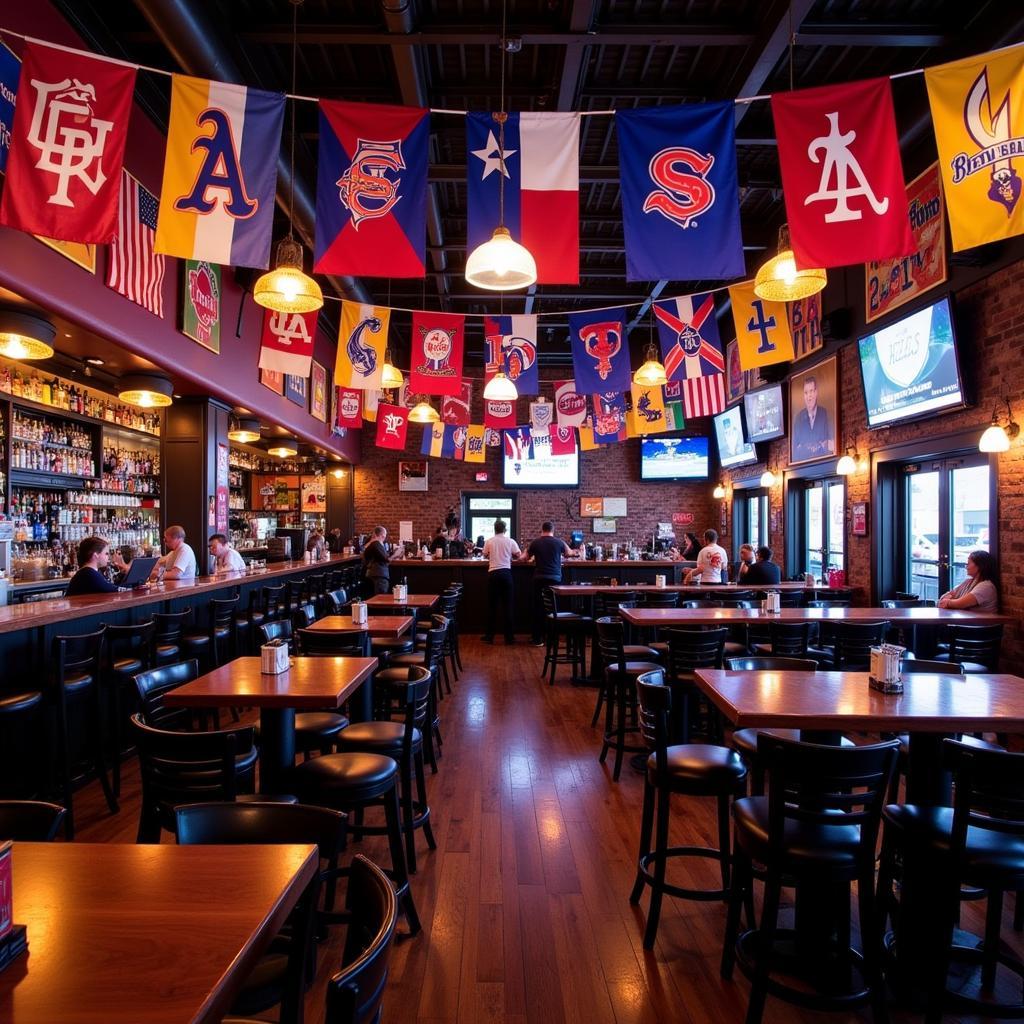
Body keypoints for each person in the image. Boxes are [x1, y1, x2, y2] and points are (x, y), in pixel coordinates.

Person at [525, 521, 573, 646]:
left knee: (538, 608)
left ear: (542, 529)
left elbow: (524, 557)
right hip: (555, 579)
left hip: (539, 578)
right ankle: (553, 639)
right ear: (553, 530)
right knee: (553, 609)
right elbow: (569, 553)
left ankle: (537, 639)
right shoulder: (559, 542)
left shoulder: (535, 542)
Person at [481, 519, 521, 644]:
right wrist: (510, 555)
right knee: (508, 606)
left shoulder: (489, 541)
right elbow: (519, 555)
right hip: (506, 574)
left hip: (493, 574)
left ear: (495, 529)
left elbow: (484, 555)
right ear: (505, 529)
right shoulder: (510, 541)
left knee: (492, 606)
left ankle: (489, 636)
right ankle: (509, 638)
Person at [792, 374, 834, 462]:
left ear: (816, 392)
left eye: (811, 391)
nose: (809, 396)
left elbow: (831, 444)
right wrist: (819, 444)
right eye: (806, 393)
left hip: (824, 464)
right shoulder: (798, 418)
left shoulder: (825, 414)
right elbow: (795, 450)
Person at [362, 525, 397, 594]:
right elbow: (386, 559)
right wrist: (396, 554)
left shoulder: (372, 544)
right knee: (380, 598)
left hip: (373, 573)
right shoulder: (376, 544)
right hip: (379, 574)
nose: (385, 537)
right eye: (385, 535)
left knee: (376, 597)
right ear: (382, 535)